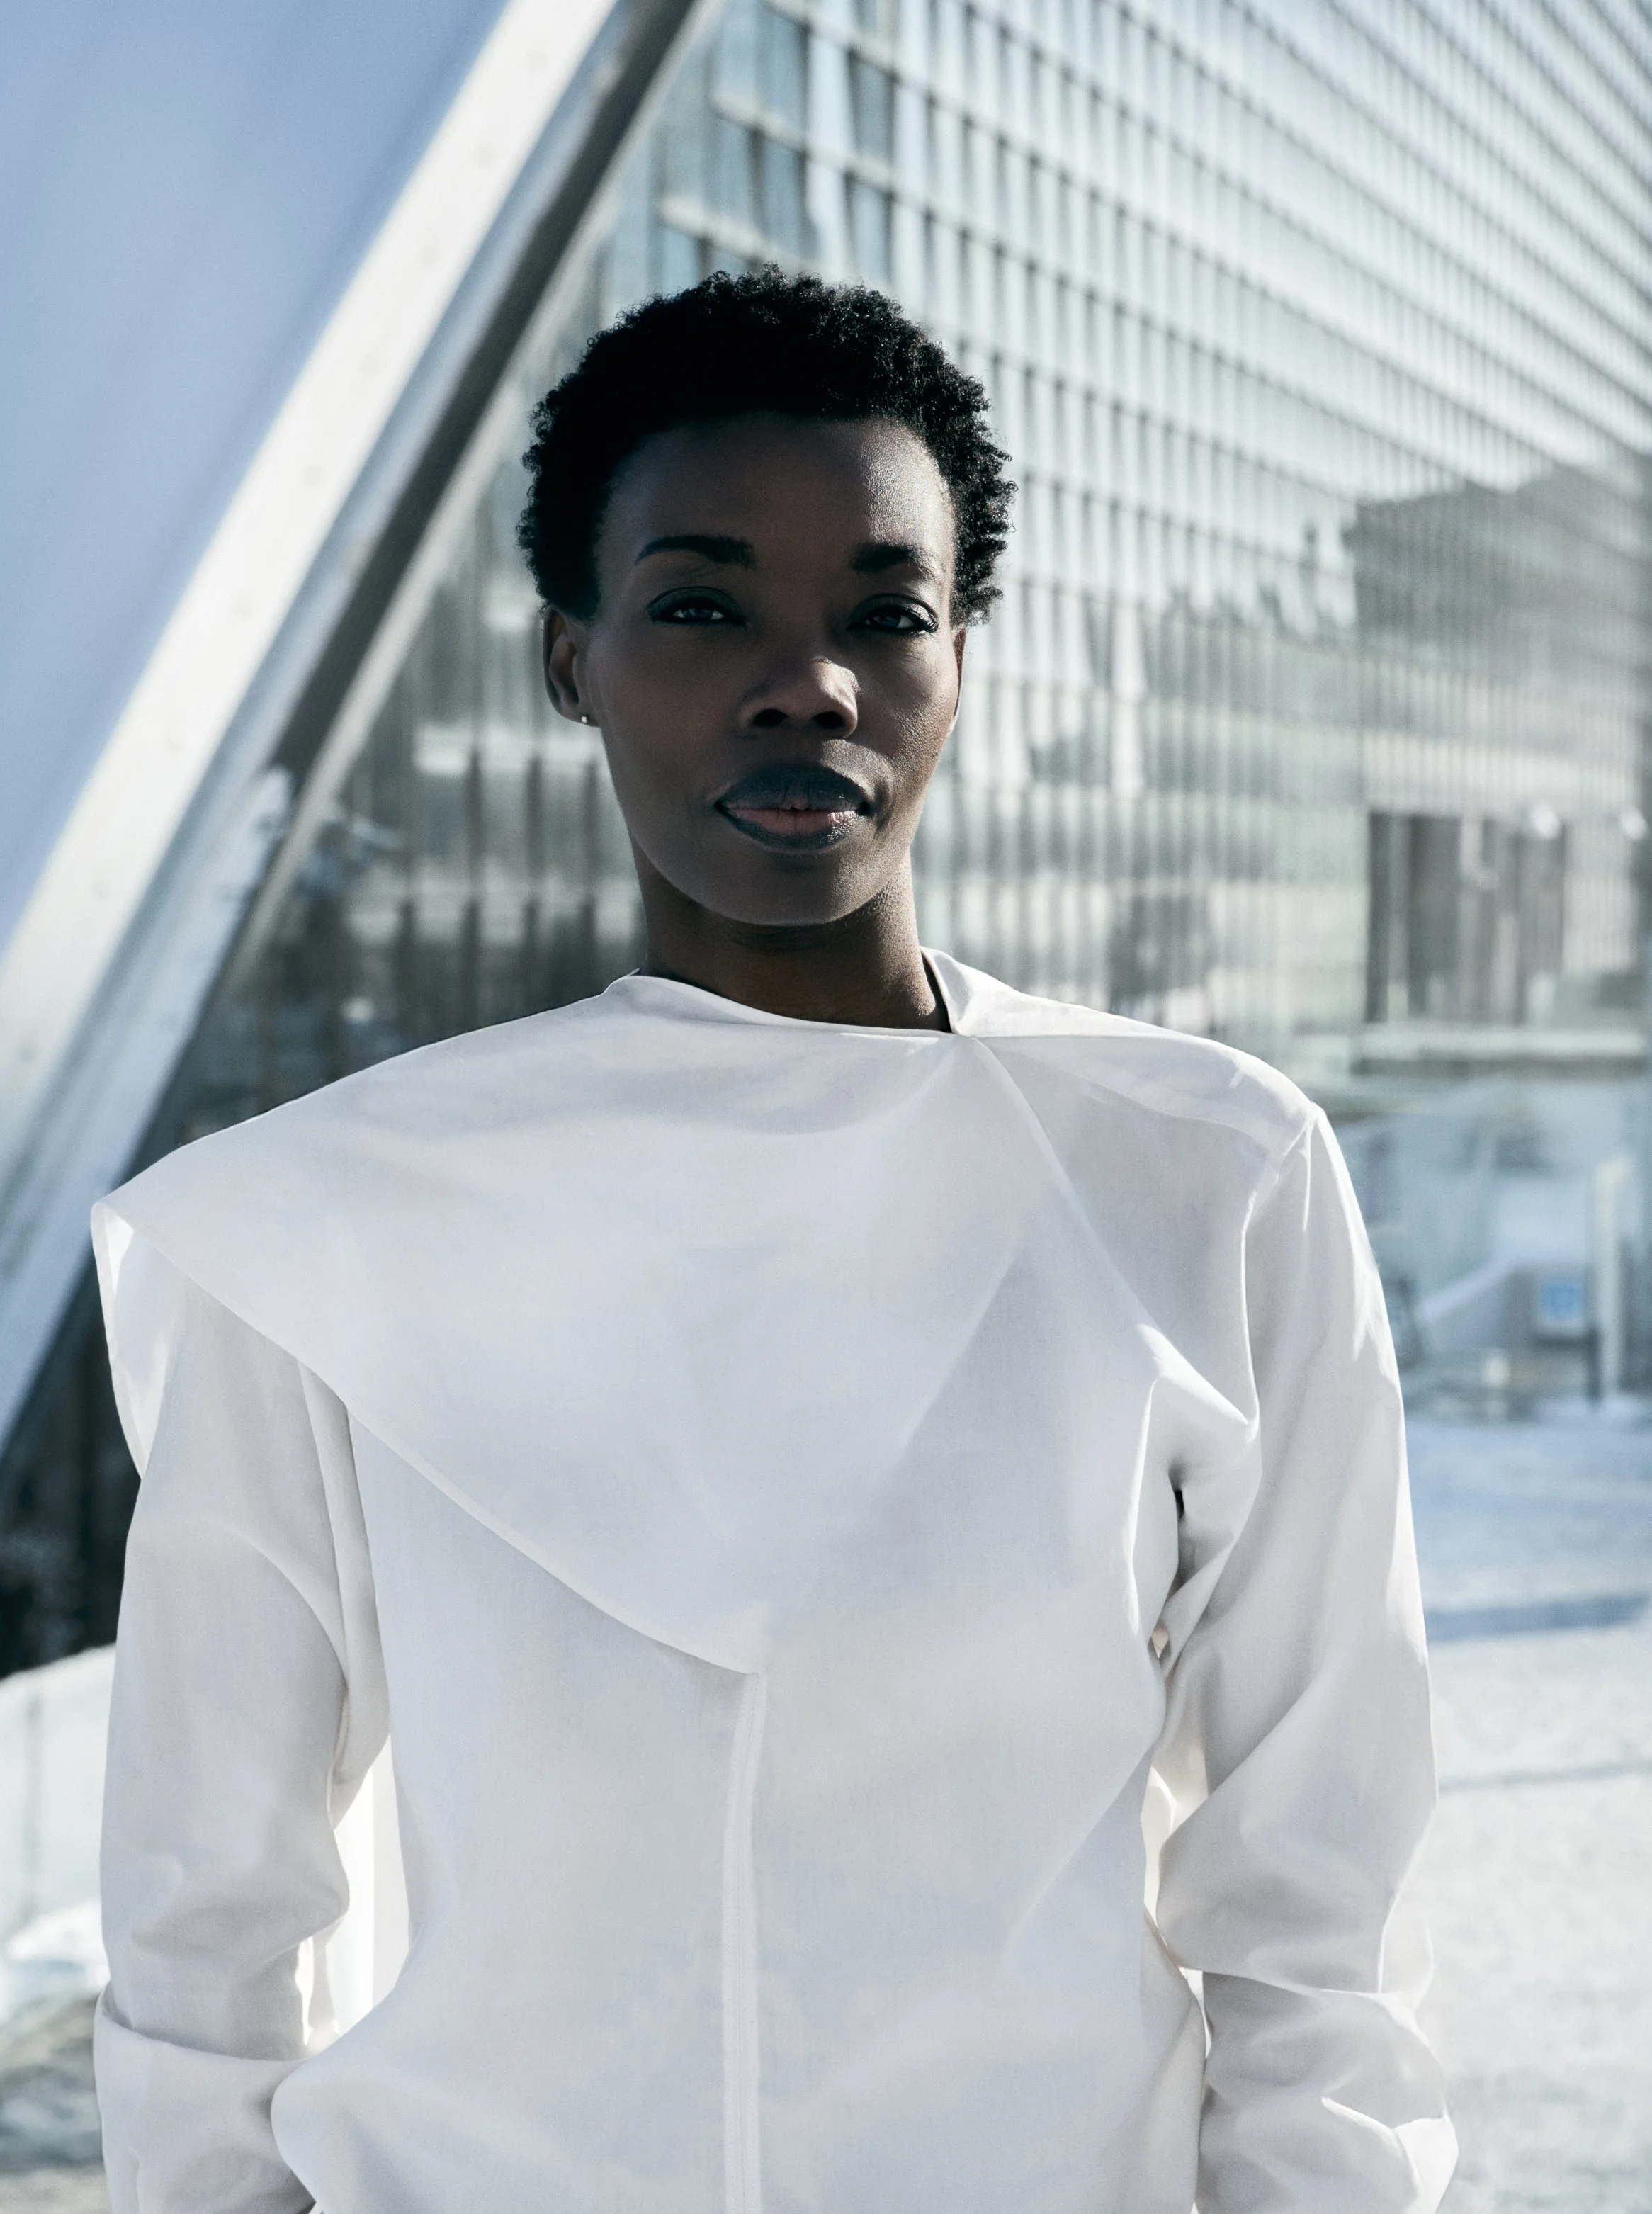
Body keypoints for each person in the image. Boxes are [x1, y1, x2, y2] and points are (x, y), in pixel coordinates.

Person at [92, 271, 1454, 2213]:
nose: (804, 680)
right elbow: (204, 1910)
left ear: (959, 656)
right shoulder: (332, 1223)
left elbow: (1324, 1881)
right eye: (704, 604)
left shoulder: (1201, 1172)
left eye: (882, 614)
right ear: (573, 658)